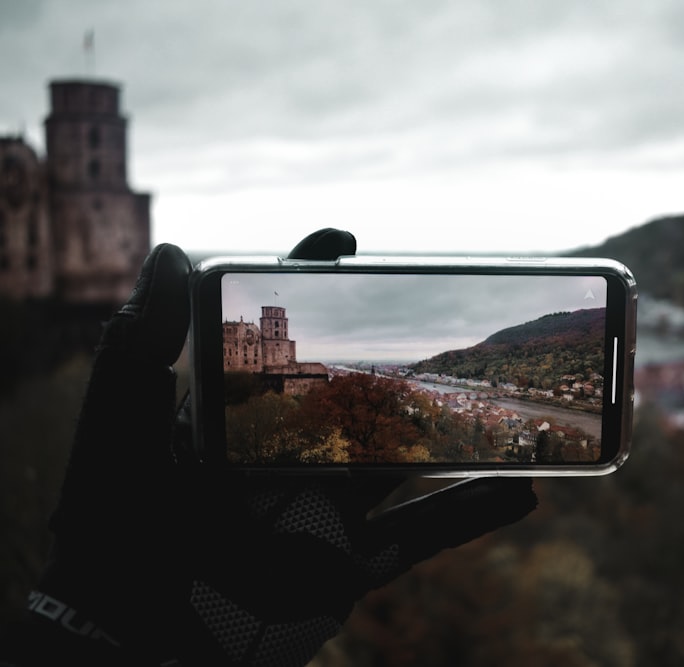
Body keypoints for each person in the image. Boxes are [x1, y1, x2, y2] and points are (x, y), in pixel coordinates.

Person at [0, 229, 538, 666]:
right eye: (271, 325)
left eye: (275, 325)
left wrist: (76, 634)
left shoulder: (284, 358)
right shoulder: (261, 355)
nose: (274, 329)